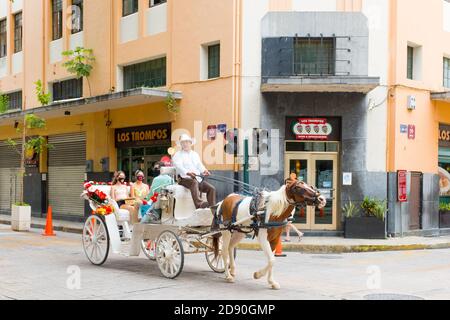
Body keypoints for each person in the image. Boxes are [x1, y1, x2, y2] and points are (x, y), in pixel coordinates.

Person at [172, 133, 216, 209]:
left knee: (211, 188)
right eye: (183, 143)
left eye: (186, 142)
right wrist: (188, 173)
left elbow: (199, 165)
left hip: (197, 178)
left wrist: (204, 170)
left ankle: (212, 207)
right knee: (194, 182)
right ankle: (199, 204)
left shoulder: (195, 154)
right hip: (184, 179)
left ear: (190, 143)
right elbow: (179, 167)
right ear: (181, 144)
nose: (185, 144)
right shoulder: (177, 155)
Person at [284, 172, 304, 242]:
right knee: (288, 223)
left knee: (287, 222)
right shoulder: (287, 190)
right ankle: (287, 237)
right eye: (286, 182)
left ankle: (299, 233)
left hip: (290, 208)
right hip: (289, 208)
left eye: (288, 183)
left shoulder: (291, 191)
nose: (287, 184)